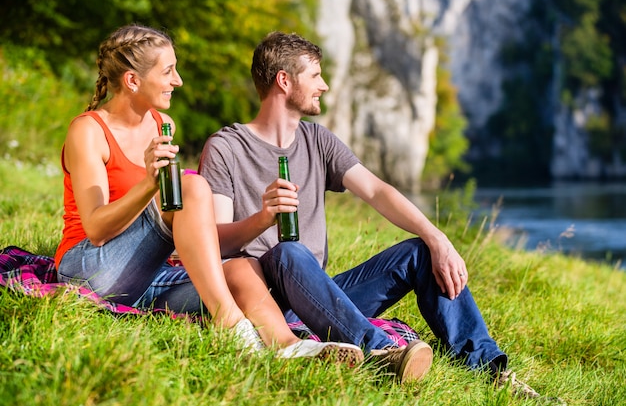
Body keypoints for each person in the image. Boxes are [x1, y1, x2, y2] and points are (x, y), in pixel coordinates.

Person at [198, 30, 542, 395]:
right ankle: (382, 351)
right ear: (284, 81)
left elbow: (378, 191)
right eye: (315, 76)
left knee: (421, 253)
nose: (325, 86)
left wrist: (436, 237)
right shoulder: (227, 148)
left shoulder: (318, 140)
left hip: (319, 297)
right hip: (265, 302)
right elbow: (214, 242)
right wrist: (262, 220)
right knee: (288, 251)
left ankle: (491, 372)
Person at [53, 24, 364, 364]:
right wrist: (148, 184)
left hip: (147, 274)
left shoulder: (161, 123)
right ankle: (231, 325)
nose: (178, 80)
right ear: (132, 81)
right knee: (193, 184)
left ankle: (286, 345)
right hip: (89, 273)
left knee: (240, 268)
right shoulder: (88, 131)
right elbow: (96, 230)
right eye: (168, 71)